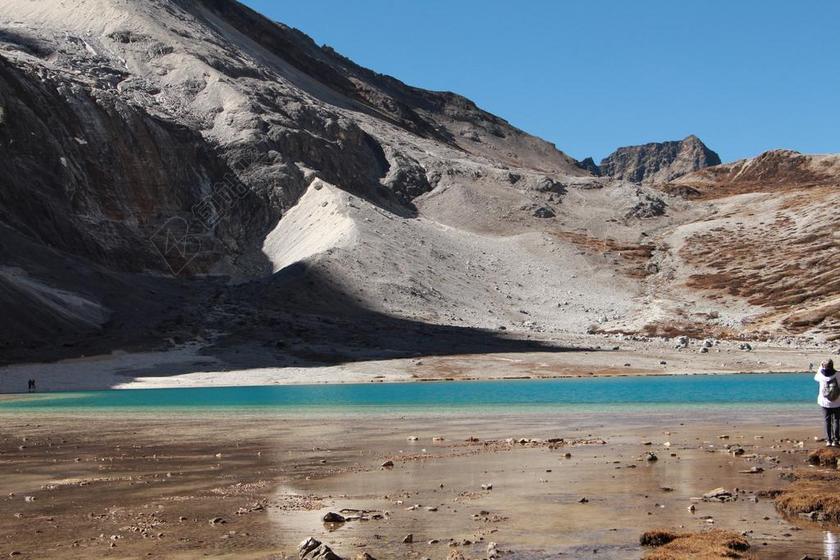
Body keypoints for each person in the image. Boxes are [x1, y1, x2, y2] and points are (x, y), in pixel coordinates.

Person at [815, 360, 840, 446]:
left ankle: (829, 440)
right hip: (837, 402)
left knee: (827, 421)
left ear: (824, 366)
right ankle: (836, 440)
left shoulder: (820, 375)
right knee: (837, 420)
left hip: (824, 403)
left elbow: (815, 378)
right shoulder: (838, 374)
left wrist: (820, 366)